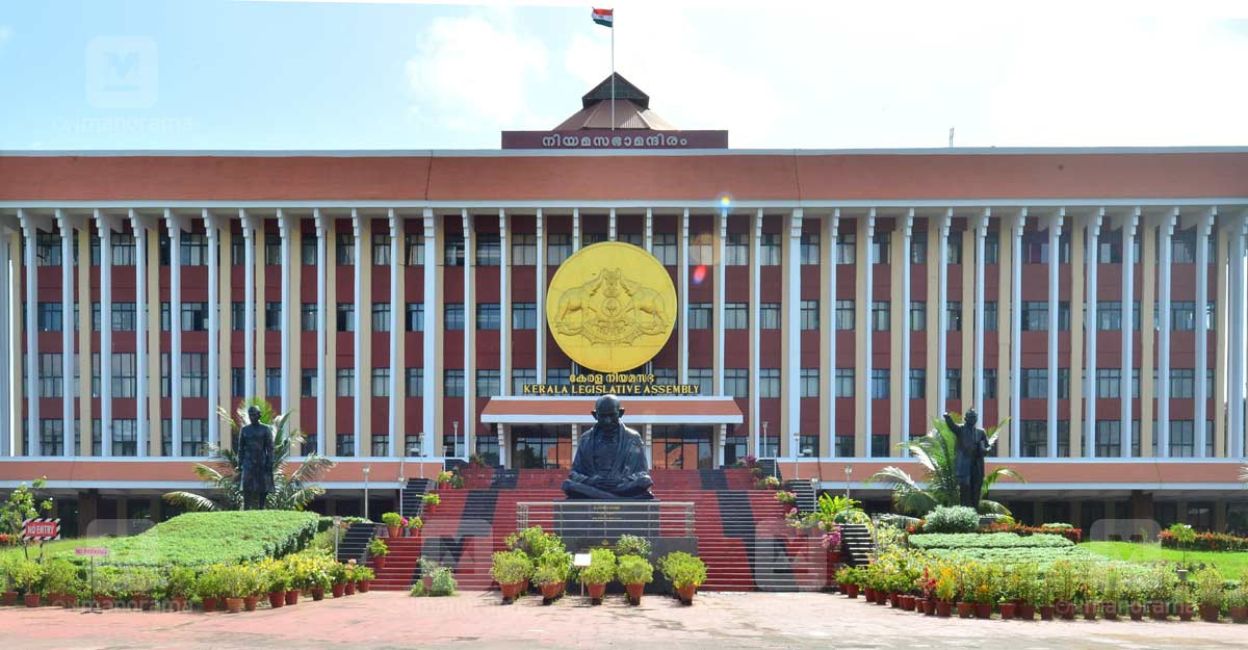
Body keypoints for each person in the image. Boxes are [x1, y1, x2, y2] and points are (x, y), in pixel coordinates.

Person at [562, 394, 654, 500]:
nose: (607, 421)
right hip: (594, 485)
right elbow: (574, 473)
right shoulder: (586, 439)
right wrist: (592, 481)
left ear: (620, 413)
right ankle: (616, 499)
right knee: (568, 485)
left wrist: (622, 480)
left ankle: (601, 496)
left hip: (621, 486)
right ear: (595, 415)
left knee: (645, 481)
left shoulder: (633, 438)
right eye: (603, 416)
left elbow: (642, 472)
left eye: (612, 415)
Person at [945, 408, 990, 511]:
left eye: (974, 417)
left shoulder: (981, 432)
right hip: (965, 464)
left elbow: (987, 446)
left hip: (977, 464)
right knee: (965, 487)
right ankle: (965, 511)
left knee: (976, 488)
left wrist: (985, 450)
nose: (973, 419)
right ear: (966, 418)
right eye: (971, 417)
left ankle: (975, 511)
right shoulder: (960, 429)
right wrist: (947, 417)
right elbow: (952, 426)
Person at [238, 406, 275, 510]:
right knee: (246, 484)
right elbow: (240, 448)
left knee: (263, 485)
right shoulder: (245, 430)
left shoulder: (265, 429)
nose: (252, 417)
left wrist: (270, 462)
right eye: (250, 415)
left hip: (261, 460)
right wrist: (239, 462)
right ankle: (246, 507)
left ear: (259, 415)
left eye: (254, 415)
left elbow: (270, 447)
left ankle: (261, 507)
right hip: (248, 461)